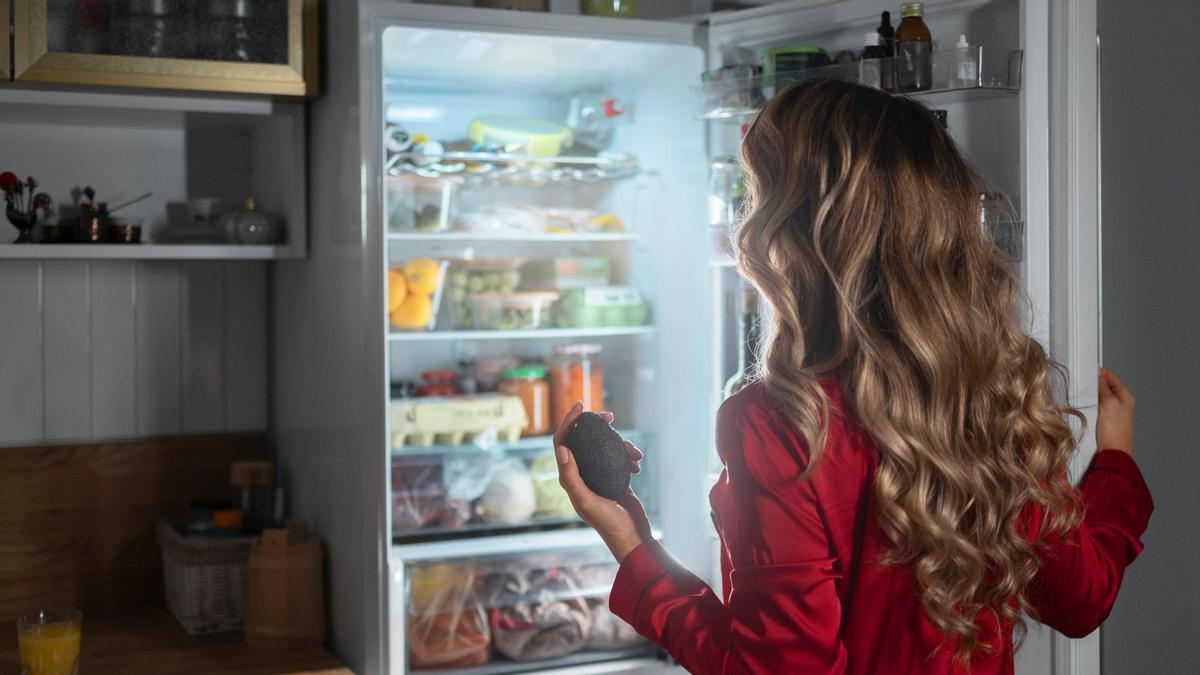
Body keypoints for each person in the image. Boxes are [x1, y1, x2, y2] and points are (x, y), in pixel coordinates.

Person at [553, 79, 1152, 675]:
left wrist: (634, 544)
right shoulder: (989, 392)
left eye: (757, 196)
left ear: (789, 233)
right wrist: (1116, 463)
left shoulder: (781, 420)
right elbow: (1081, 600)